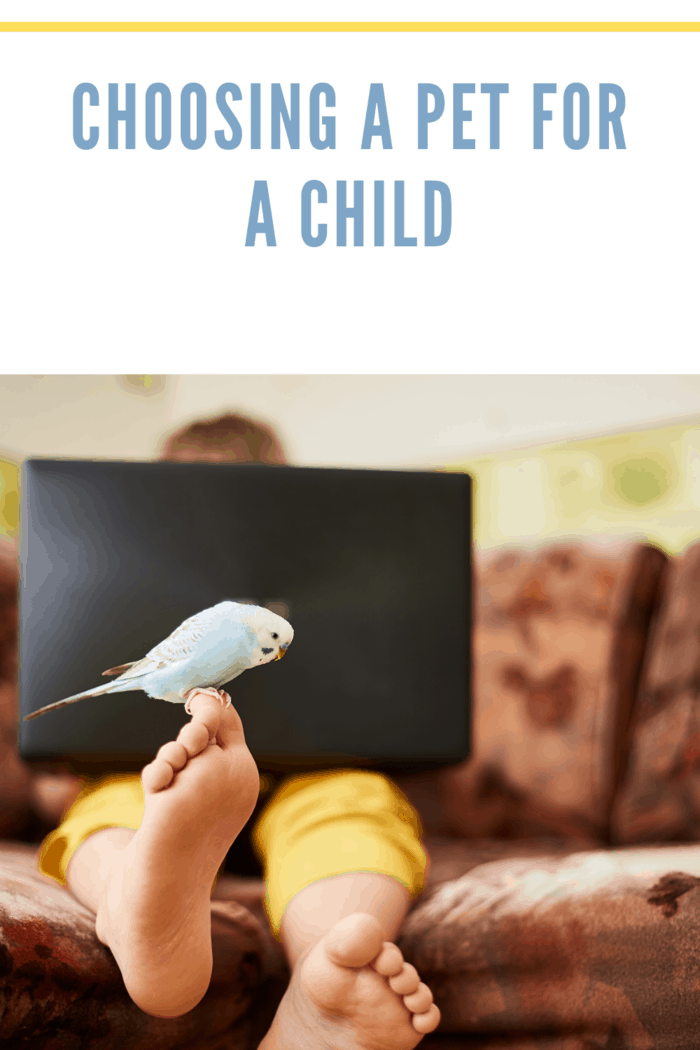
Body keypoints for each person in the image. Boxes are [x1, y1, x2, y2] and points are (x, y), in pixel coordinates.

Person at [38, 412, 441, 1049]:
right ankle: (135, 902)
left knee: (350, 802)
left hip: (313, 768)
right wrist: (63, 765)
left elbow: (393, 692)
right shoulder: (119, 581)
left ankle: (327, 980)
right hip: (165, 764)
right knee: (117, 799)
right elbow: (50, 775)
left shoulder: (335, 580)